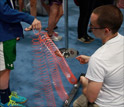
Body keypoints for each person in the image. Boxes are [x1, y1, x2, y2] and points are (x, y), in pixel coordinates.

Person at [73, 5, 124, 107]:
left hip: (108, 104)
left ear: (106, 31)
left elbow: (91, 97)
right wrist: (90, 59)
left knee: (77, 104)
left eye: (92, 26)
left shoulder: (99, 59)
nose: (90, 28)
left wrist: (84, 82)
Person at [0, 0, 42, 106]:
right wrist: (29, 18)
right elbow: (4, 11)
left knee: (7, 67)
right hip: (3, 34)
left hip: (7, 32)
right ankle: (5, 100)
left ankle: (7, 94)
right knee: (4, 69)